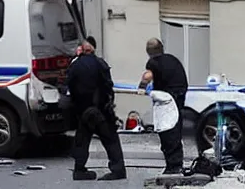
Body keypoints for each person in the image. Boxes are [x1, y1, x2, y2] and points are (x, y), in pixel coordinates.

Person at [67, 37, 126, 181]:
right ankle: (117, 169)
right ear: (93, 49)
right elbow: (107, 86)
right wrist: (109, 106)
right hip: (100, 111)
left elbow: (70, 86)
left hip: (83, 111)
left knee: (82, 139)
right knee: (111, 140)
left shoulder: (75, 66)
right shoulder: (100, 64)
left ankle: (79, 170)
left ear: (82, 50)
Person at [138, 38, 188, 175]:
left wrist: (142, 87)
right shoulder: (172, 59)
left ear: (148, 52)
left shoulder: (153, 62)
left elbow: (147, 76)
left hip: (167, 97)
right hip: (180, 95)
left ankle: (173, 165)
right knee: (175, 127)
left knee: (166, 130)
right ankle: (177, 163)